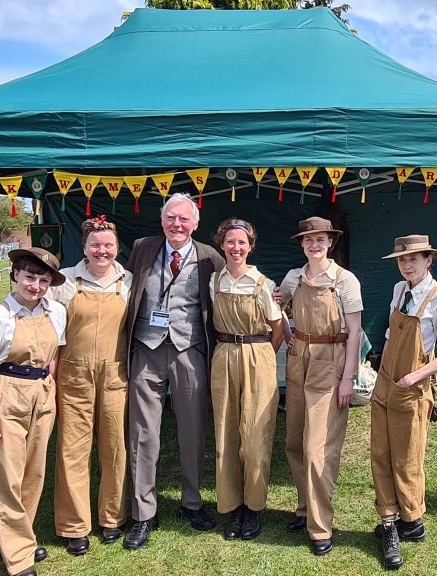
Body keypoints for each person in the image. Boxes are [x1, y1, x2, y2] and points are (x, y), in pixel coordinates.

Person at [0, 215, 132, 556]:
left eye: (108, 245)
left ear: (117, 248)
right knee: (72, 451)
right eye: (95, 245)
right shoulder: (65, 281)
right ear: (84, 247)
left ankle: (112, 517)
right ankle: (75, 525)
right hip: (73, 378)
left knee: (114, 447)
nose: (101, 251)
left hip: (116, 376)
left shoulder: (129, 281)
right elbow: (29, 301)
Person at [123, 193, 224, 550]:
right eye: (171, 218)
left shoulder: (210, 257)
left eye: (184, 219)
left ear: (196, 224)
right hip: (146, 348)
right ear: (162, 220)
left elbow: (226, 296)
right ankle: (142, 513)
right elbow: (117, 283)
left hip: (189, 349)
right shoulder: (143, 248)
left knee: (192, 430)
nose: (176, 225)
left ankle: (192, 502)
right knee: (141, 432)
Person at [0, 248, 67, 576]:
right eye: (29, 277)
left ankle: (21, 538)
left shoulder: (57, 312)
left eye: (43, 280)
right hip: (6, 394)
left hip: (42, 395)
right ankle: (19, 556)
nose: (36, 286)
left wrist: (48, 389)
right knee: (6, 477)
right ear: (15, 275)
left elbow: (55, 355)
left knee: (32, 474)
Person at [276, 216, 362, 556]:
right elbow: (277, 305)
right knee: (295, 442)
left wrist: (347, 378)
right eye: (309, 239)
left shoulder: (345, 280)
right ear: (301, 244)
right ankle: (304, 508)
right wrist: (287, 330)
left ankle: (321, 524)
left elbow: (354, 332)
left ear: (331, 242)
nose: (315, 245)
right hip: (299, 361)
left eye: (321, 239)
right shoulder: (293, 277)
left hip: (331, 361)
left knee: (318, 449)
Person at [372, 234, 437, 571]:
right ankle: (389, 518)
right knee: (380, 452)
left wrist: (413, 377)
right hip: (384, 383)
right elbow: (393, 334)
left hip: (411, 386)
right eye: (402, 260)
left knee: (407, 458)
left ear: (428, 260)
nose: (407, 264)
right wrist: (377, 365)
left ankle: (410, 519)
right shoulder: (399, 290)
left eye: (414, 259)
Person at [208, 218, 285, 541]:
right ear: (221, 245)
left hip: (258, 353)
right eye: (230, 242)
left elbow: (278, 329)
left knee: (255, 434)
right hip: (224, 352)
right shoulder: (214, 281)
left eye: (241, 242)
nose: (235, 248)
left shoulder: (264, 285)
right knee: (226, 432)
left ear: (250, 246)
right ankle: (232, 505)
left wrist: (261, 356)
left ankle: (254, 507)